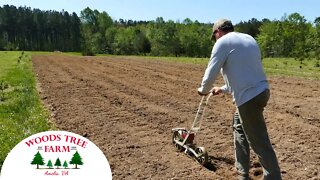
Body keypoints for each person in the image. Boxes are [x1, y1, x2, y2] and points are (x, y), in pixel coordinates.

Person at [197, 19, 282, 180]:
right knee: (238, 127)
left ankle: (273, 177)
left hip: (248, 99)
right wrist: (221, 89)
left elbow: (211, 72)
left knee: (259, 142)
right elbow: (243, 76)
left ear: (217, 32)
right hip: (262, 92)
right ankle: (242, 172)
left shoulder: (222, 43)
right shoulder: (248, 39)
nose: (215, 39)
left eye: (215, 36)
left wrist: (203, 90)